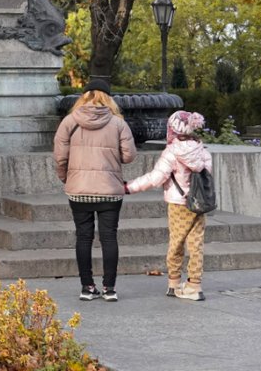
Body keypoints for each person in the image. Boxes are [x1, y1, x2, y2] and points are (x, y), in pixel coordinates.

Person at [53, 78, 136, 303]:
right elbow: (129, 156)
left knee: (83, 236)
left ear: (84, 96)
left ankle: (87, 287)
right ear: (109, 98)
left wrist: (66, 178)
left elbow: (60, 157)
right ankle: (109, 288)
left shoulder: (69, 122)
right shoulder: (119, 124)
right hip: (110, 190)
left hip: (78, 189)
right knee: (109, 237)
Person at [125, 110, 214, 302]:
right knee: (196, 244)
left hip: (178, 203)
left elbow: (156, 178)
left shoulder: (172, 152)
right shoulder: (203, 151)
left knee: (176, 243)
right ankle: (194, 285)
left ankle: (174, 283)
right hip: (199, 204)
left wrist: (129, 187)